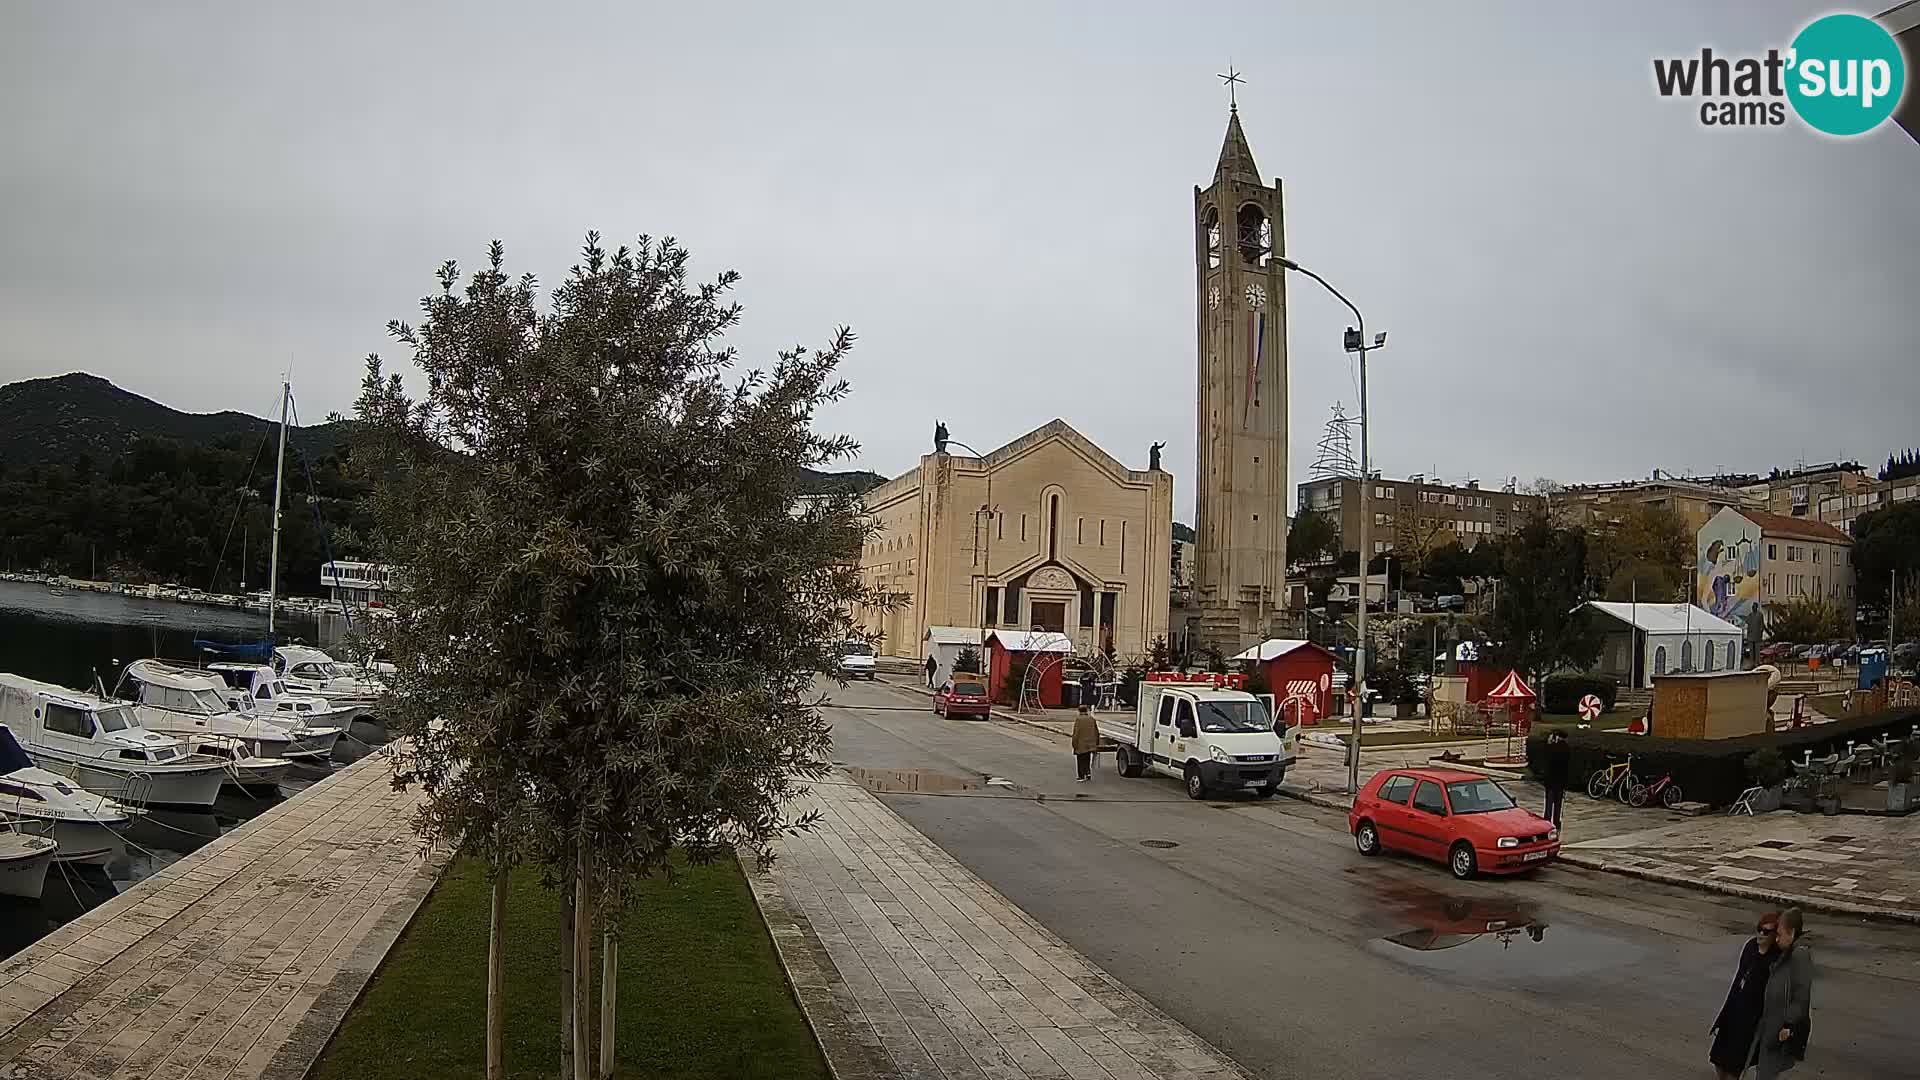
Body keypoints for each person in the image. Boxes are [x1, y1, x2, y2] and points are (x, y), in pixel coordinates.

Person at [1709, 911, 1778, 1080]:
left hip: (1751, 1021)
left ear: (1775, 935)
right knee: (1718, 1060)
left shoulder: (1775, 960)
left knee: (1734, 1068)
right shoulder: (1750, 947)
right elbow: (1738, 979)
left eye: (1766, 932)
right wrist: (1723, 1015)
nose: (1761, 934)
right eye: (1759, 929)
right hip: (1734, 1011)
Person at [1749, 907, 1813, 1079]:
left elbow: (1801, 994)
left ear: (1791, 932)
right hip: (1772, 1028)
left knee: (1768, 1073)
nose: (1776, 939)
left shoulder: (1799, 955)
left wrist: (1789, 1024)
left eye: (1779, 934)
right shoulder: (1788, 952)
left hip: (1780, 1031)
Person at [1542, 730, 1570, 827]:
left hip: (1551, 780)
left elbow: (1546, 760)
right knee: (1558, 803)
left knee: (1549, 803)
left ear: (1557, 737)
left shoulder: (1551, 747)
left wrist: (1549, 742)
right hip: (1561, 781)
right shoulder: (1567, 748)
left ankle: (1547, 820)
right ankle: (1556, 821)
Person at [1071, 705, 1099, 783]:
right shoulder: (1092, 719)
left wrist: (1074, 744)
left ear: (1079, 711)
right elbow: (1096, 732)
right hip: (1090, 744)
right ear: (1086, 710)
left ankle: (1081, 776)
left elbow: (1076, 733)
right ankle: (1088, 773)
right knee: (1087, 759)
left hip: (1081, 744)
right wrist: (1096, 743)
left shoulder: (1078, 720)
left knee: (1080, 760)